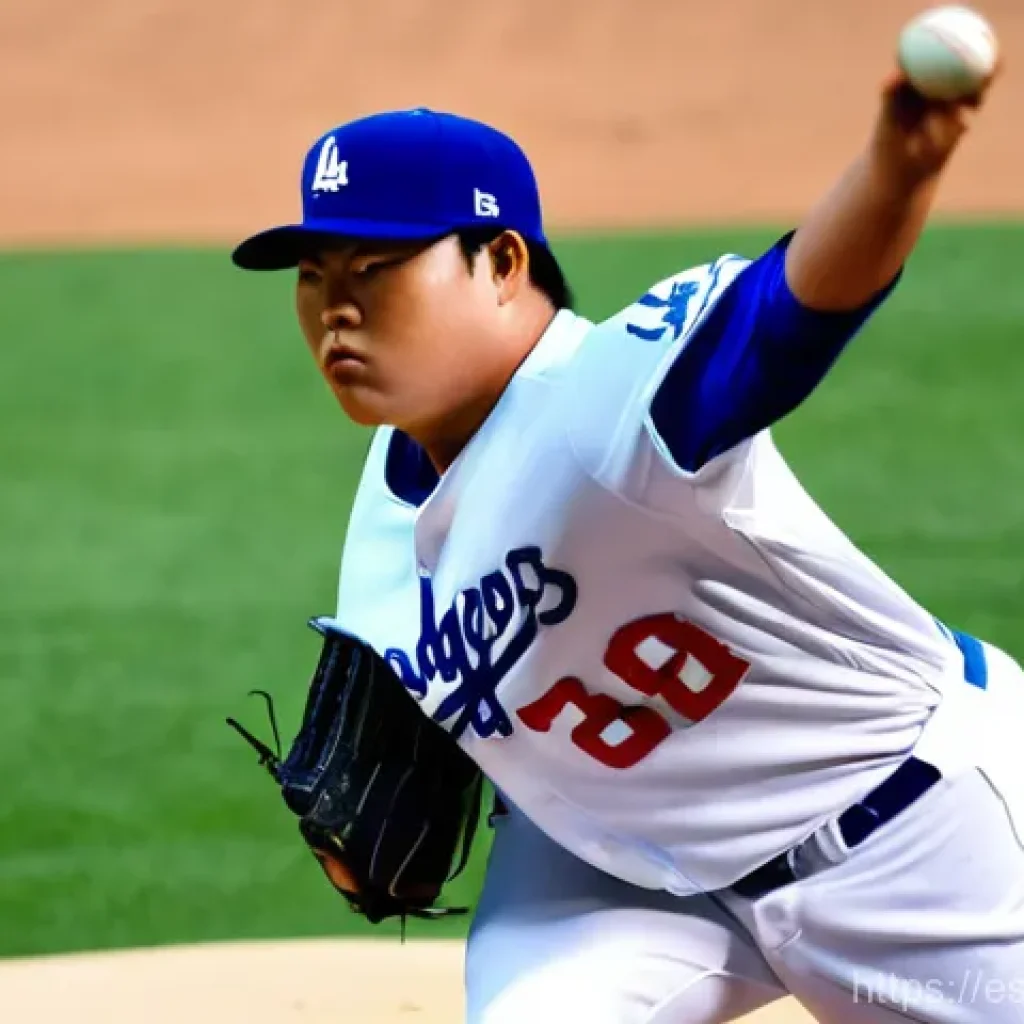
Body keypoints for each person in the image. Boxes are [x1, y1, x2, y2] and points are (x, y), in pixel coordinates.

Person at [231, 59, 1024, 1024]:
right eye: (313, 276)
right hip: (626, 878)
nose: (336, 308)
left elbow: (785, 320)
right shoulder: (393, 487)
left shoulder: (611, 400)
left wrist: (900, 169)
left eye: (376, 268)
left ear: (504, 264)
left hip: (907, 836)